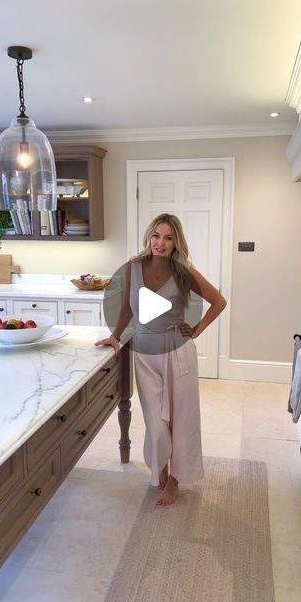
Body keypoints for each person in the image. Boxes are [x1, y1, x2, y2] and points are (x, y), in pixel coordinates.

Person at [95, 213, 226, 506]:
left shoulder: (184, 271)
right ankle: (161, 470)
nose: (160, 243)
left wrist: (196, 330)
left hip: (178, 353)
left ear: (175, 242)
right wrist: (116, 336)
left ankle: (175, 480)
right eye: (156, 236)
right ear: (148, 237)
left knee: (181, 419)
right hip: (144, 352)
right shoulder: (133, 267)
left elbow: (219, 301)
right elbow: (128, 307)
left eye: (168, 238)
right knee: (156, 422)